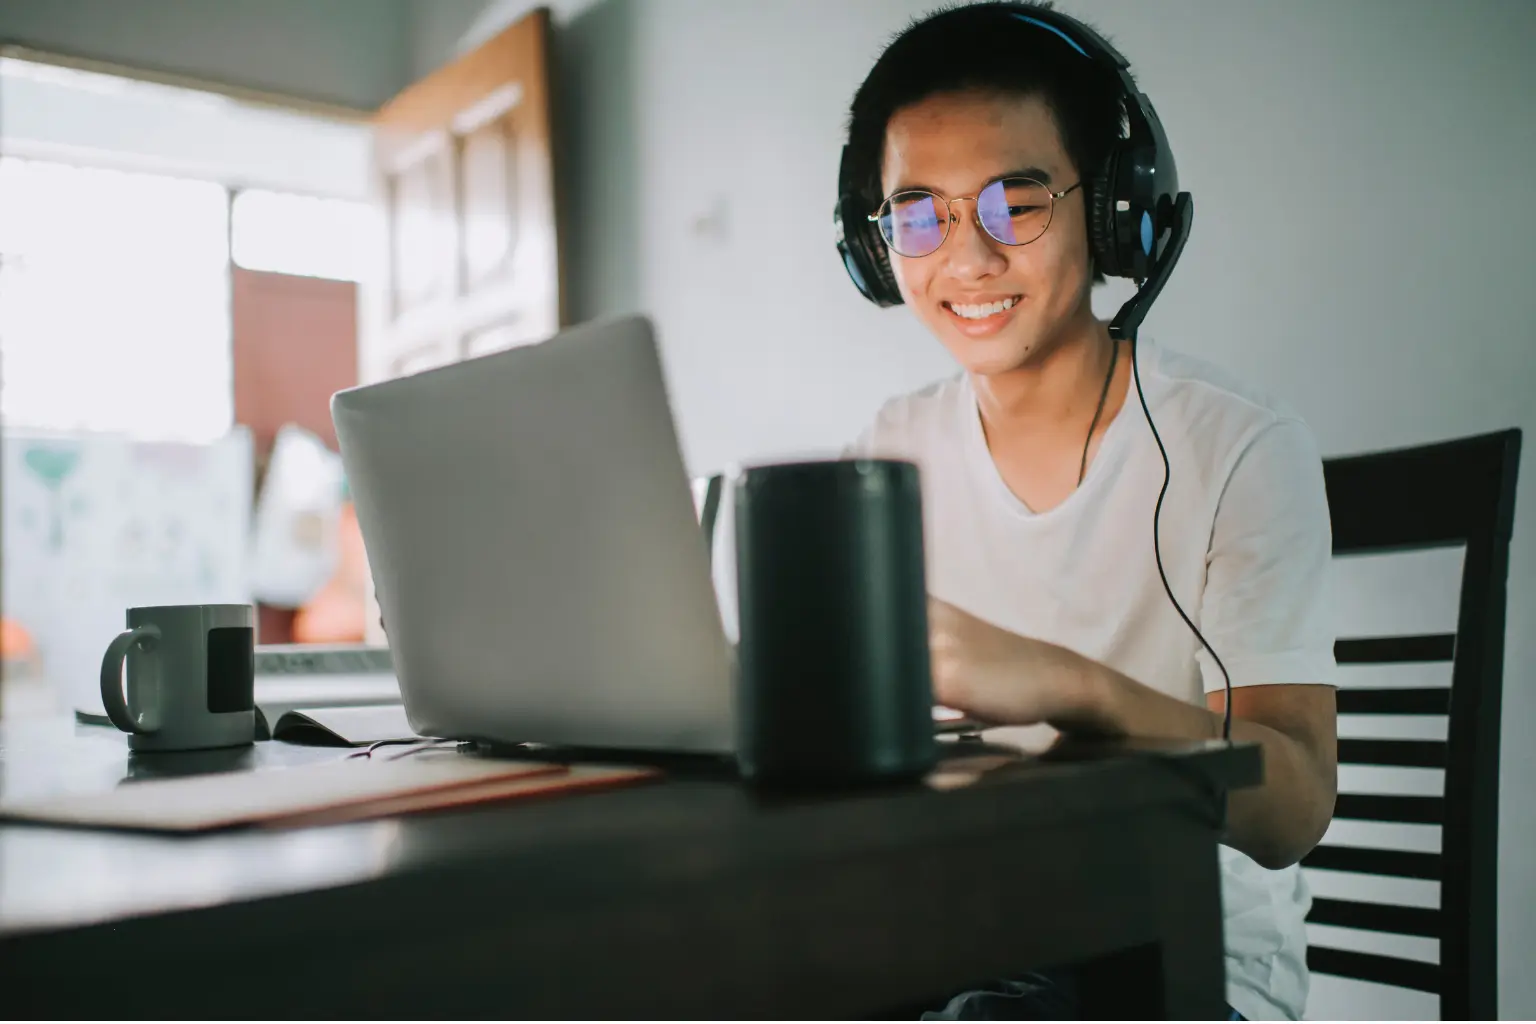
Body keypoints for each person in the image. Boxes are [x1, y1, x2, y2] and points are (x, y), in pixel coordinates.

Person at [833, 2, 1338, 1019]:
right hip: (952, 939)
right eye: (919, 212)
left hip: (1178, 961)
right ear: (875, 242)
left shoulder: (1237, 444)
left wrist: (1068, 686)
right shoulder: (887, 452)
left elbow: (1292, 804)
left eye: (1014, 202)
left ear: (1114, 208)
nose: (966, 257)